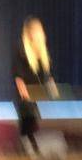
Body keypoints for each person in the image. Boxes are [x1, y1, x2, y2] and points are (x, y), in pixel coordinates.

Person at [13, 17, 58, 152]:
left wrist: (51, 87)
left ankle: (30, 148)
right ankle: (25, 149)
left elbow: (47, 73)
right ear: (29, 32)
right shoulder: (21, 48)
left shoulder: (41, 49)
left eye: (39, 30)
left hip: (37, 92)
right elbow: (17, 74)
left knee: (33, 122)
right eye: (34, 30)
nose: (38, 32)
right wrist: (24, 93)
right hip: (25, 93)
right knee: (26, 122)